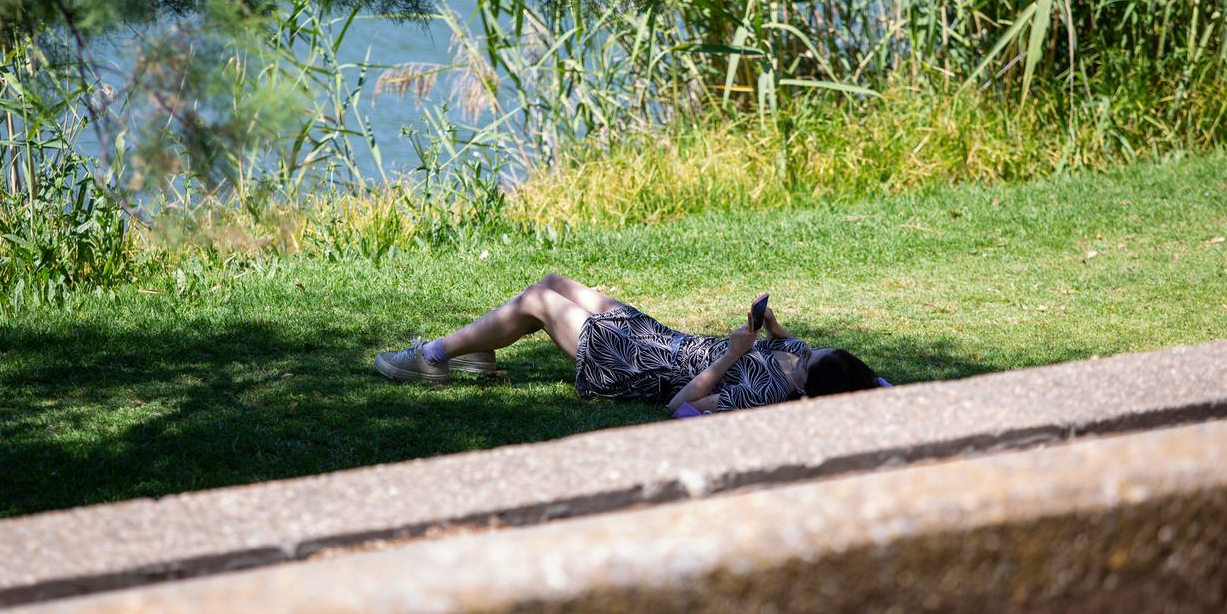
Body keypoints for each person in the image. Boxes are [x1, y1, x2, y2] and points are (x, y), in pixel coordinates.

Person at [374, 274, 890, 417]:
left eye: (806, 360)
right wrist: (774, 332)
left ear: (805, 391)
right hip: (659, 337)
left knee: (538, 300)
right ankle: (479, 352)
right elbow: (879, 387)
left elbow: (679, 408)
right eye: (808, 349)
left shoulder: (761, 396)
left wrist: (735, 354)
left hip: (637, 364)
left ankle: (433, 358)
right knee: (556, 281)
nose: (802, 352)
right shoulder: (804, 362)